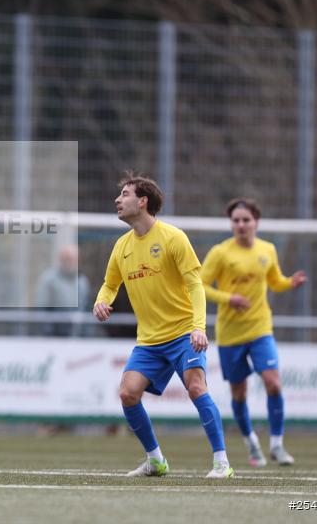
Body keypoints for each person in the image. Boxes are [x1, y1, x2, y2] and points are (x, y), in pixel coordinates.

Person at [93, 173, 234, 479]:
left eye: (125, 194)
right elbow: (109, 285)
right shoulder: (121, 246)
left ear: (142, 202)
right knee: (128, 394)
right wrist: (101, 301)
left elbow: (196, 286)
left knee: (197, 387)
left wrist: (199, 327)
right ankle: (155, 460)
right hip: (149, 340)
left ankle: (222, 462)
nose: (118, 200)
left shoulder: (173, 238)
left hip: (184, 332)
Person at [201, 197, 306, 467]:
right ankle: (251, 443)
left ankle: (278, 445)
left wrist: (289, 283)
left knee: (274, 382)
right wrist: (228, 299)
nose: (241, 224)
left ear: (256, 222)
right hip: (230, 334)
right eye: (236, 220)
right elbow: (199, 286)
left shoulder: (268, 250)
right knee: (239, 394)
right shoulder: (220, 252)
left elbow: (275, 281)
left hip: (260, 328)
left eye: (246, 219)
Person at [34, 244, 92, 336]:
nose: (70, 262)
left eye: (74, 259)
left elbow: (87, 309)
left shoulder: (82, 281)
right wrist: (48, 334)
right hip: (55, 336)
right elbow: (42, 309)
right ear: (60, 259)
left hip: (78, 336)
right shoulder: (49, 279)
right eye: (67, 259)